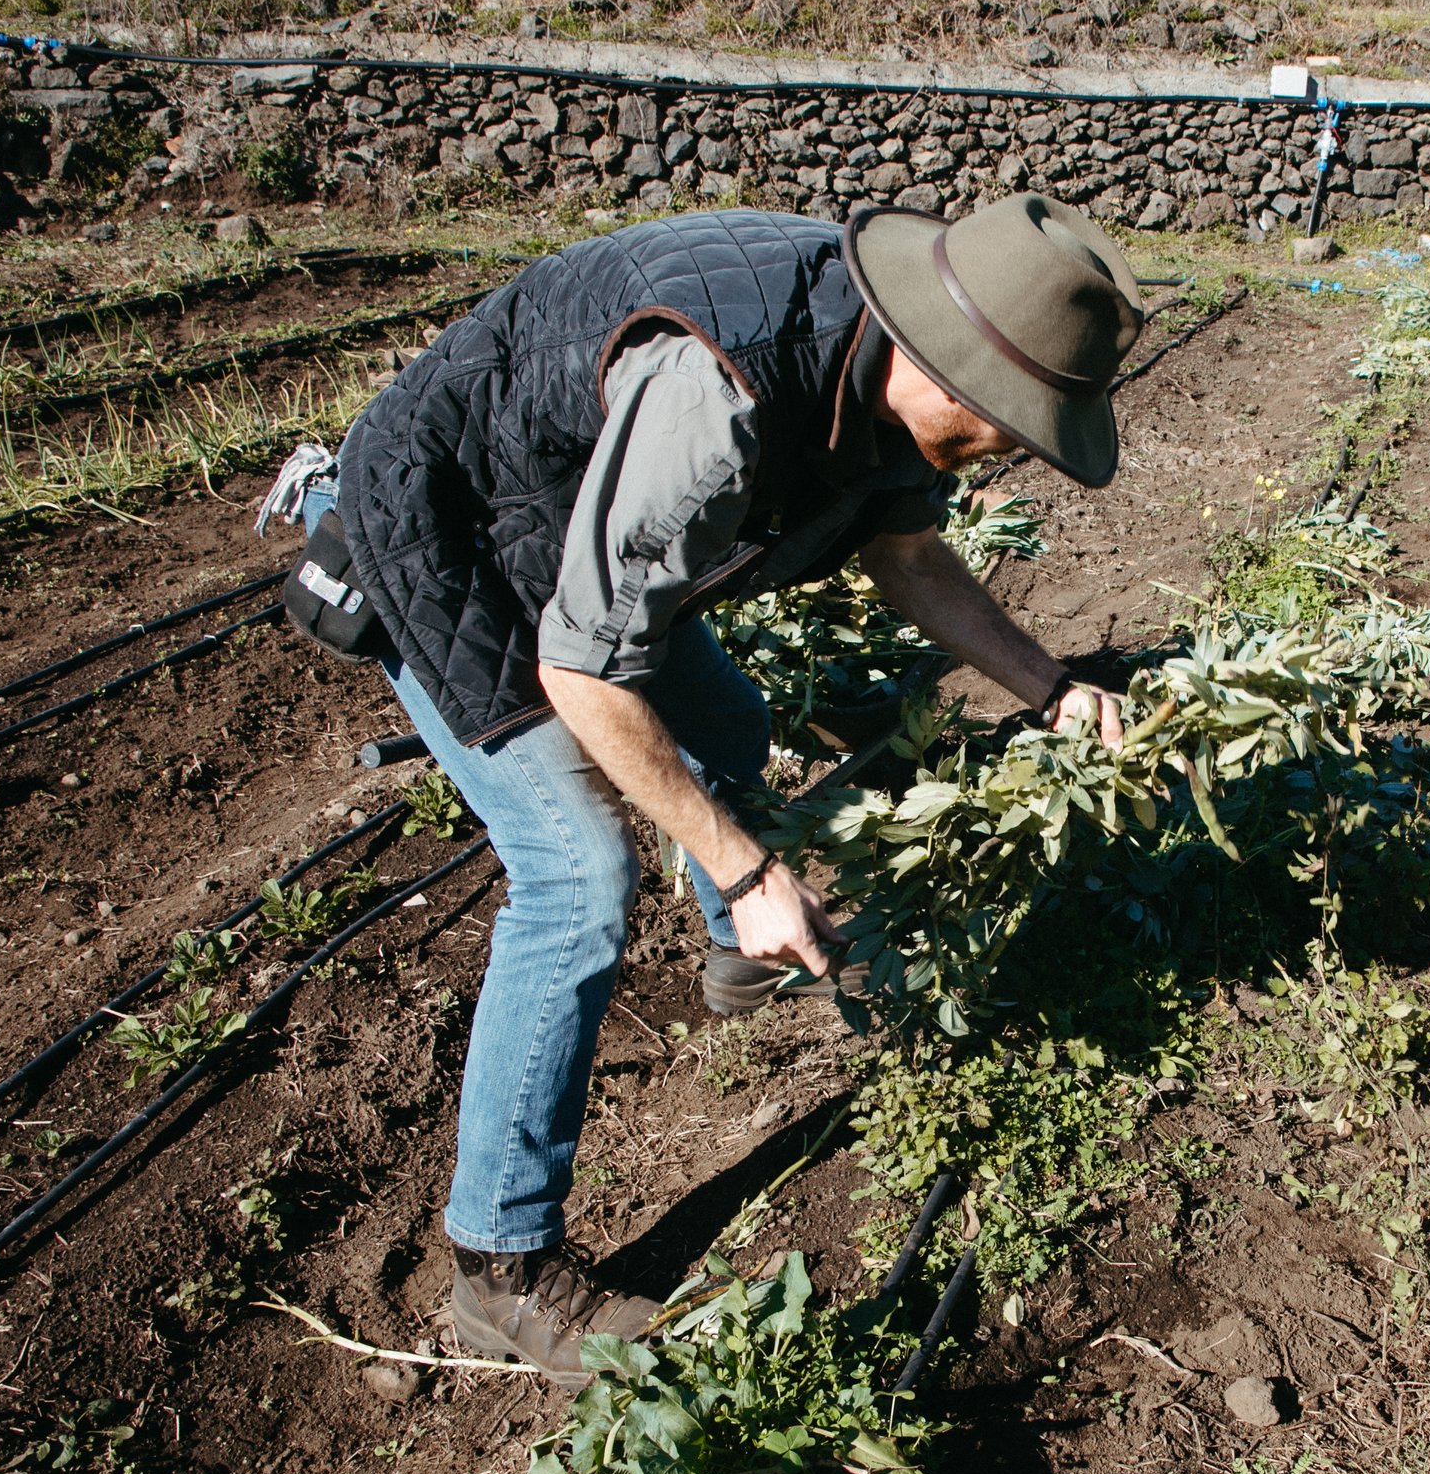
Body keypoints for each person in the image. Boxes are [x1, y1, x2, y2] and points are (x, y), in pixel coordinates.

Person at [273, 194, 1146, 1383]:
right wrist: (744, 865)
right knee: (577, 873)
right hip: (452, 532)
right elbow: (581, 664)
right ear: (935, 353)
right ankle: (500, 1264)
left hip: (577, 522)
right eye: (1003, 423)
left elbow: (906, 555)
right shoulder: (719, 392)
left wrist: (1050, 687)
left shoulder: (896, 380)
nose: (1002, 448)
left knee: (729, 716)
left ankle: (738, 953)